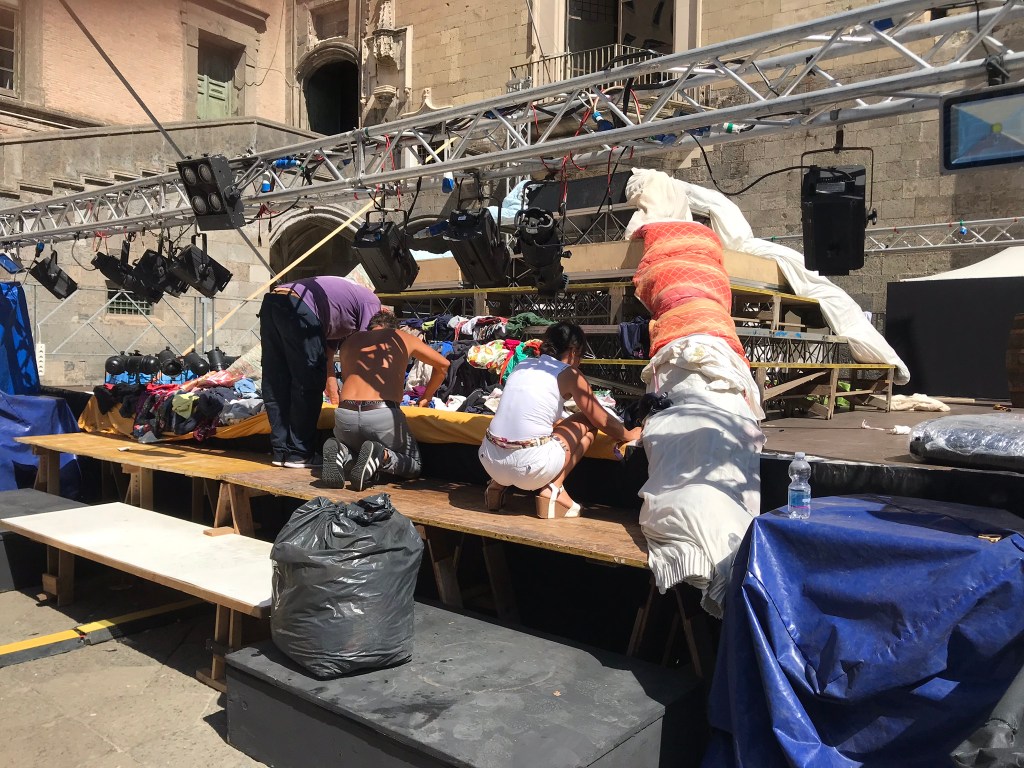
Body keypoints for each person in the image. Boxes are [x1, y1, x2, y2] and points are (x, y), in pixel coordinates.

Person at [478, 322, 643, 519]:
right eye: (581, 356)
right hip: (531, 468)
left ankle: (496, 486)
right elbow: (602, 420)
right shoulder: (570, 374)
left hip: (490, 461)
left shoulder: (523, 364)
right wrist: (629, 434)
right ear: (573, 351)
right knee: (587, 419)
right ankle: (553, 489)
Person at [259, 275, 381, 468]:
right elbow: (368, 348)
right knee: (307, 381)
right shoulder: (372, 301)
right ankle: (300, 453)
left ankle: (281, 451)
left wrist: (335, 395)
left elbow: (327, 358)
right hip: (299, 306)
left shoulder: (340, 307)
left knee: (277, 380)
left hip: (273, 302)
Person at [322, 309, 451, 491]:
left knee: (359, 455)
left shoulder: (350, 341)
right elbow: (444, 365)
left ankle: (341, 452)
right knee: (414, 464)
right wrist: (426, 396)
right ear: (395, 327)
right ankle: (382, 456)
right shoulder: (400, 337)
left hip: (345, 413)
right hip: (381, 413)